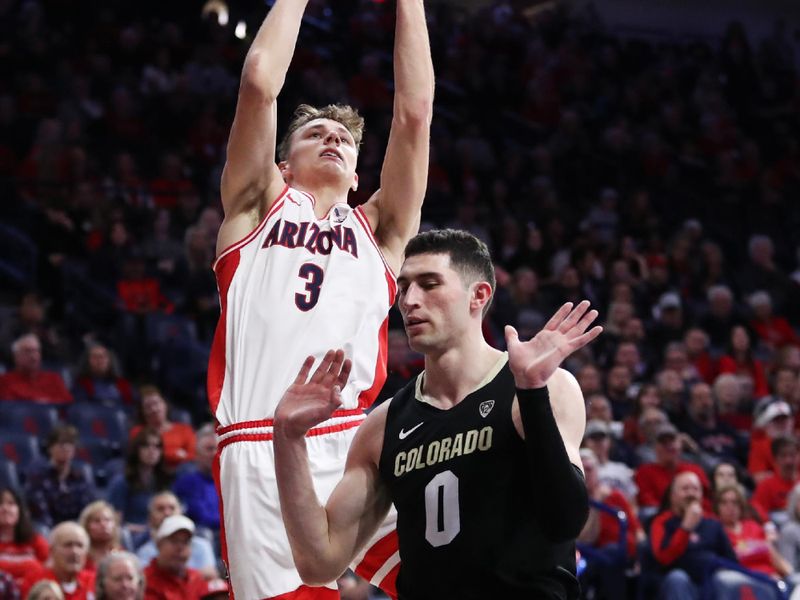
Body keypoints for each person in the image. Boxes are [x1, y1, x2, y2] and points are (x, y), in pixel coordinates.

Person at [209, 0, 434, 596]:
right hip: (262, 443)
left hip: (358, 444)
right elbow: (259, 82)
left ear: (360, 175)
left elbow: (415, 113)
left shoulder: (382, 232)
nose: (333, 140)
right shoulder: (257, 204)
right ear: (284, 161)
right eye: (315, 134)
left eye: (344, 139)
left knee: (465, 571)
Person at [273, 230, 601, 598]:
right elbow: (320, 564)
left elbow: (565, 521)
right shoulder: (382, 426)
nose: (410, 300)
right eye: (404, 288)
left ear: (479, 296)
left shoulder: (544, 386)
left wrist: (532, 393)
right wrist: (288, 437)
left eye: (429, 284)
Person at [24, 425, 97, 529]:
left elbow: (90, 508)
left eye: (70, 444)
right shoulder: (38, 477)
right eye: (61, 444)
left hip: (79, 530)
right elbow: (40, 513)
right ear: (50, 448)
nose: (66, 448)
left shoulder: (81, 477)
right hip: (50, 529)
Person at [134, 492, 217, 580]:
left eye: (172, 508)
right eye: (160, 509)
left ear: (181, 512)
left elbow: (210, 576)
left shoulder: (202, 546)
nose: (167, 513)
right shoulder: (145, 552)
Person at [107, 428, 172, 531]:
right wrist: (146, 530)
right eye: (146, 446)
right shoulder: (122, 482)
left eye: (156, 446)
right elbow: (115, 523)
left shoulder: (165, 481)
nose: (152, 451)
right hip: (132, 536)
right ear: (136, 450)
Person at [19, 522, 95, 600]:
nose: (74, 551)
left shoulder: (94, 581)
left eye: (80, 545)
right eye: (68, 545)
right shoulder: (35, 581)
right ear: (52, 551)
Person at [129, 387, 195, 471]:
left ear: (165, 405)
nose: (154, 409)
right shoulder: (138, 432)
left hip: (180, 472)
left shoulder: (184, 430)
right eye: (148, 406)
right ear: (142, 411)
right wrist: (175, 454)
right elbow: (136, 457)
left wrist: (158, 454)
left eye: (156, 403)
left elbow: (193, 456)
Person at [142, 515, 207, 600]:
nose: (180, 548)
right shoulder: (145, 581)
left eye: (185, 542)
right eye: (174, 541)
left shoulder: (197, 579)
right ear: (159, 544)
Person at [0, 334, 72, 404]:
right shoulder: (5, 381)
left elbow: (67, 404)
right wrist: (39, 401)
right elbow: (9, 408)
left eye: (37, 351)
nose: (34, 356)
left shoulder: (54, 379)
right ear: (16, 356)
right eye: (28, 351)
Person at [171, 425, 218, 531]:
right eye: (209, 449)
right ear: (197, 454)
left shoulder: (231, 481)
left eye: (218, 449)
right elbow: (201, 516)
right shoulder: (186, 483)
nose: (215, 454)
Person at [0, 487, 48, 586]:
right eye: (0, 503)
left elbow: (49, 569)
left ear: (20, 510)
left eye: (11, 503)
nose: (5, 508)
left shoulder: (35, 540)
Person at [77, 501, 122, 572]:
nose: (103, 524)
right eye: (97, 521)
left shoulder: (122, 555)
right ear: (86, 526)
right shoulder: (79, 555)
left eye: (108, 520)